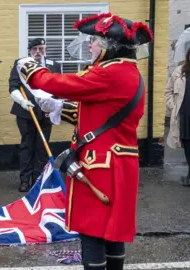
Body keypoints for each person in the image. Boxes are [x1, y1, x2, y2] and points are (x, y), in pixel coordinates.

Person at [17, 13, 153, 269]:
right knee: (112, 232)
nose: (89, 45)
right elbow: (103, 113)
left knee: (92, 232)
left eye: (94, 41)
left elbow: (60, 83)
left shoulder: (110, 73)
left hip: (103, 165)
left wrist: (32, 70)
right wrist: (61, 108)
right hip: (117, 161)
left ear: (108, 46)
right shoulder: (126, 71)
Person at [8, 38, 62, 192]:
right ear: (29, 50)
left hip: (45, 114)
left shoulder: (54, 65)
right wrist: (22, 102)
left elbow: (59, 90)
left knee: (42, 148)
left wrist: (53, 108)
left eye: (41, 48)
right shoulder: (21, 64)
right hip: (25, 113)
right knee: (26, 146)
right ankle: (25, 180)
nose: (38, 52)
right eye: (34, 49)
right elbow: (12, 87)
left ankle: (39, 180)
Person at [165, 47, 190, 185]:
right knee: (187, 145)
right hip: (184, 114)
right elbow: (168, 91)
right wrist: (173, 106)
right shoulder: (179, 71)